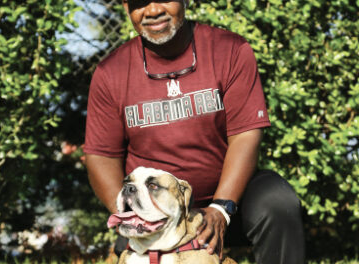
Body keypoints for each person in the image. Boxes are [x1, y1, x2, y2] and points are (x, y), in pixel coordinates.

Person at [83, 1, 305, 263]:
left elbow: (246, 135)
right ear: (125, 5)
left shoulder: (230, 50)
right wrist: (132, 214)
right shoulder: (111, 72)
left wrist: (222, 207)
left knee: (278, 204)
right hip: (157, 209)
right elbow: (101, 156)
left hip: (230, 198)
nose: (153, 10)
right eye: (140, 2)